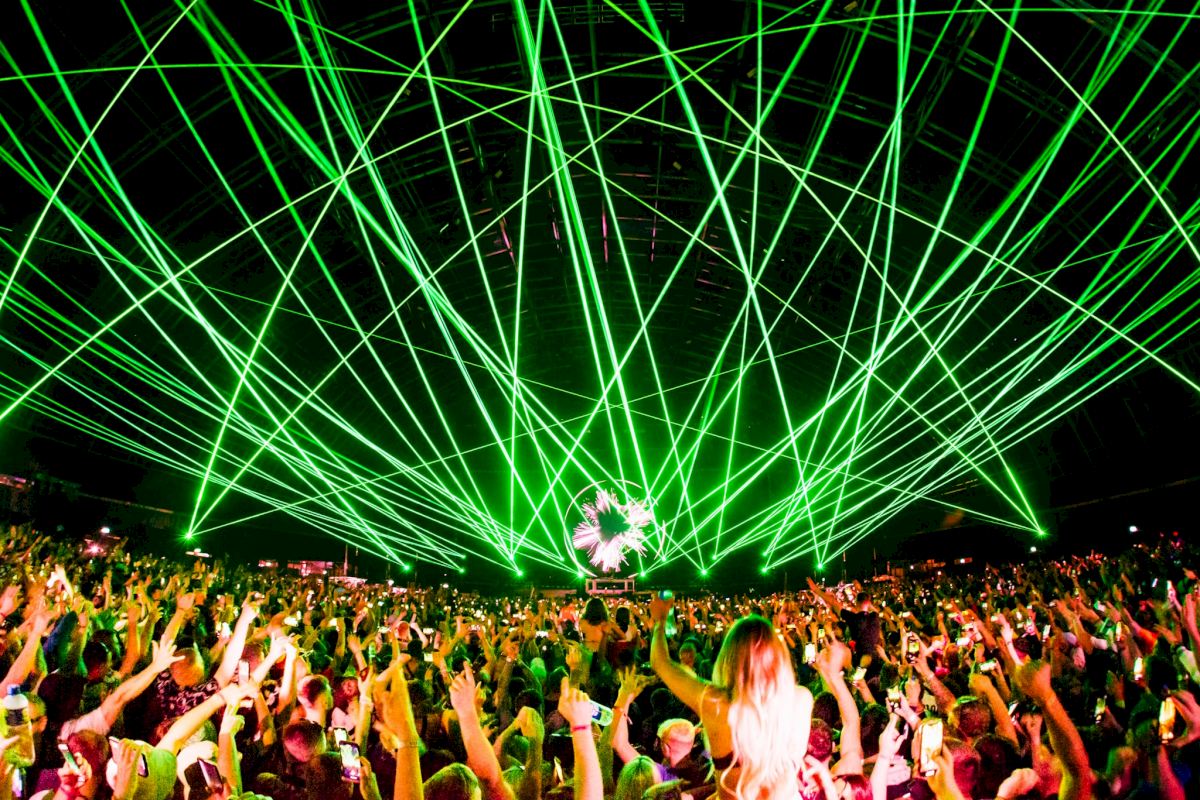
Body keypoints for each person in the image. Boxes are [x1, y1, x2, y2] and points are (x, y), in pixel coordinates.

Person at [648, 595, 813, 799]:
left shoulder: (716, 704)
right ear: (778, 656)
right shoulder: (802, 699)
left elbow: (660, 662)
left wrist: (660, 621)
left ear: (729, 658)